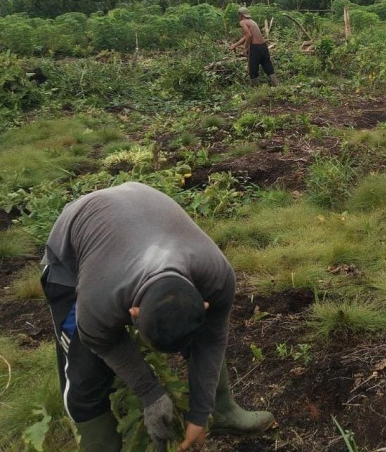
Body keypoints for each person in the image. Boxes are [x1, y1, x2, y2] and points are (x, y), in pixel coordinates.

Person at [41, 182, 274, 452]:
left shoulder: (217, 275)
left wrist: (200, 414)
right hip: (70, 254)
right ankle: (100, 445)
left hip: (142, 214)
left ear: (204, 303)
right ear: (133, 313)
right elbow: (103, 342)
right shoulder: (97, 299)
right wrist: (151, 395)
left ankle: (220, 411)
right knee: (86, 370)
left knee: (191, 328)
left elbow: (210, 340)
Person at [229, 6, 279, 86]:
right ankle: (276, 85)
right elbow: (246, 37)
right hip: (263, 47)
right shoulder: (252, 22)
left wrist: (245, 48)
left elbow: (249, 36)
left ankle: (256, 89)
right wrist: (235, 45)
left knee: (253, 69)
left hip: (255, 48)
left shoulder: (242, 22)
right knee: (268, 66)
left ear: (241, 15)